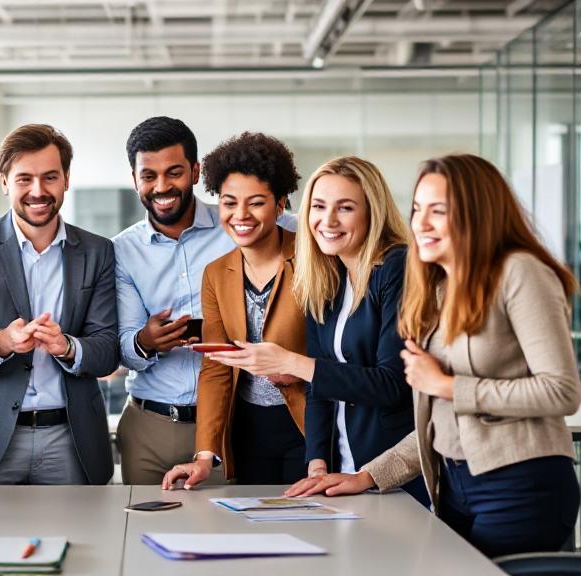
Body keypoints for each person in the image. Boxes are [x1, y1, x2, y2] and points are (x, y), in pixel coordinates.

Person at [288, 154, 581, 557]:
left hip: (519, 482)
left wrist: (448, 385)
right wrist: (370, 475)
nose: (420, 224)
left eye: (438, 211)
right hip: (452, 485)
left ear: (480, 214)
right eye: (417, 209)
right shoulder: (439, 287)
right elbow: (436, 419)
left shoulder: (521, 272)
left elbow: (561, 392)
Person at [224, 156, 427, 504]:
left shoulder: (397, 267)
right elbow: (320, 389)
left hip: (394, 475)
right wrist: (317, 463)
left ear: (371, 212)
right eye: (318, 206)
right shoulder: (327, 277)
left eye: (345, 208)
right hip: (342, 472)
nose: (327, 220)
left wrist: (290, 362)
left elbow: (394, 384)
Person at [113, 117, 295, 485]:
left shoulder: (241, 224)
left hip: (236, 422)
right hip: (152, 423)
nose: (161, 186)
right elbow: (123, 350)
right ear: (134, 179)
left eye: (174, 172)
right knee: (143, 536)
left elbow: (312, 241)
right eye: (148, 175)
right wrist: (145, 343)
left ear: (195, 172)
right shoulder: (121, 250)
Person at [0, 124, 119, 485]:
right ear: (4, 182)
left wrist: (67, 347)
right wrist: (2, 342)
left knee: (80, 540)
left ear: (66, 179)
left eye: (50, 177)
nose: (38, 191)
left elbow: (108, 351)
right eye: (24, 179)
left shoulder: (98, 251)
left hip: (70, 438)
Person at [162, 132, 306, 488]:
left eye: (256, 202)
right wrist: (203, 456)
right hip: (247, 430)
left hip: (309, 426)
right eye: (229, 202)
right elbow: (216, 367)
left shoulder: (312, 261)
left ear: (281, 203)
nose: (240, 215)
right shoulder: (216, 273)